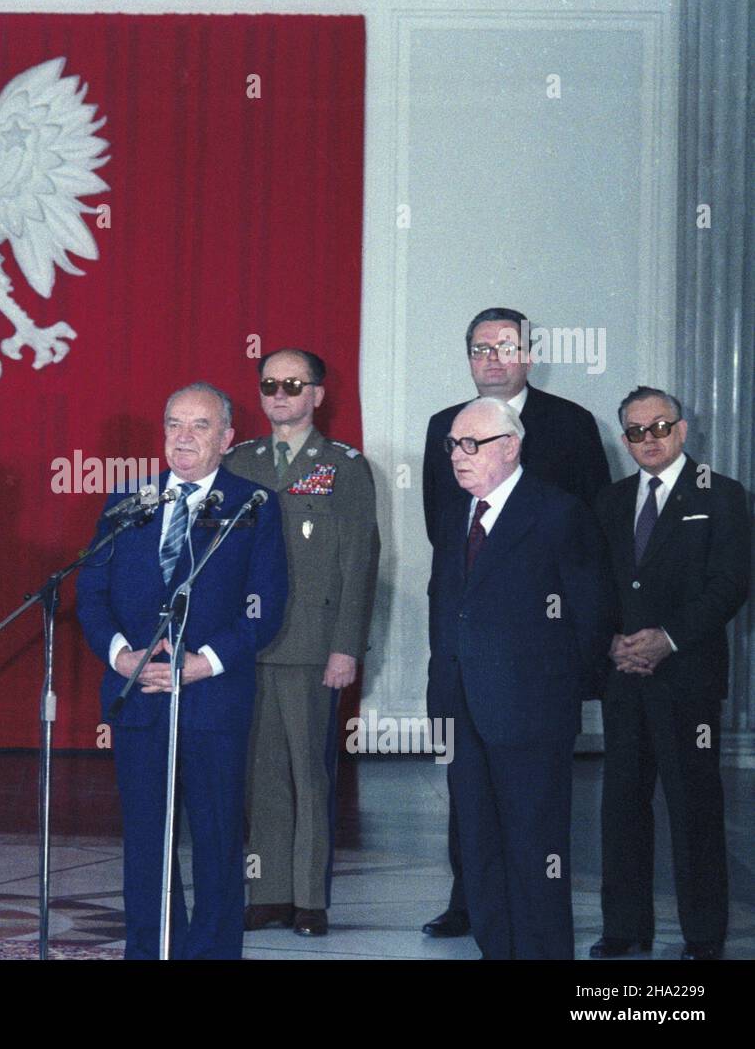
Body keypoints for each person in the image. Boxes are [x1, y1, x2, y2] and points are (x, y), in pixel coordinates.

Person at [76, 382, 288, 959]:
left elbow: (264, 606)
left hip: (212, 702)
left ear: (226, 438)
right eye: (174, 424)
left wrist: (203, 665)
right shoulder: (129, 502)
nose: (184, 437)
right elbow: (90, 591)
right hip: (140, 696)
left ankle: (214, 952)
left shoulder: (253, 505)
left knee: (218, 839)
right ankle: (150, 949)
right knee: (147, 837)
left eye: (199, 426)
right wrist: (120, 653)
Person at [420, 306, 611, 939]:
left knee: (537, 852)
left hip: (532, 707)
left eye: (472, 445)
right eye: (454, 445)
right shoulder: (457, 514)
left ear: (512, 447)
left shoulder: (557, 510)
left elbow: (590, 610)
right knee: (478, 846)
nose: (458, 455)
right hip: (463, 704)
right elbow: (446, 597)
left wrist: (560, 690)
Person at [590, 387, 751, 961]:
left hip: (688, 676)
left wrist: (669, 639)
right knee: (622, 805)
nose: (649, 439)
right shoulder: (609, 502)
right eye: (635, 431)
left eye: (659, 427)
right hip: (624, 675)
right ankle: (624, 928)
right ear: (624, 439)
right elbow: (598, 586)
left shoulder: (723, 495)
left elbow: (730, 585)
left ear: (682, 430)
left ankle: (704, 935)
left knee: (694, 806)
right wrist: (611, 640)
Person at [224, 348, 379, 936]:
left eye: (294, 383)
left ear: (317, 394)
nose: (280, 394)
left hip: (314, 644)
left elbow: (359, 562)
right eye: (270, 384)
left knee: (310, 772)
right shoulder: (240, 462)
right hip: (250, 641)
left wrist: (347, 647)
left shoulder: (343, 464)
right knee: (259, 771)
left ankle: (310, 899)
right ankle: (268, 892)